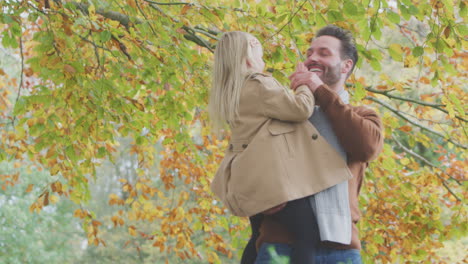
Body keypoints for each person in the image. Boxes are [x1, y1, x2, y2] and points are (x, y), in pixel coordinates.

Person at [208, 31, 354, 264]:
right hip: (271, 180)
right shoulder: (259, 84)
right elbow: (300, 109)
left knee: (258, 237)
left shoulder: (231, 90)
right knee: (307, 234)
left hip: (247, 176)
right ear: (248, 58)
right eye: (256, 46)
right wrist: (304, 82)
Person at [253, 25, 384, 264]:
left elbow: (366, 147)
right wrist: (260, 197)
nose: (313, 58)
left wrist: (319, 90)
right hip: (280, 246)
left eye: (324, 53)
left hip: (341, 250)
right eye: (310, 53)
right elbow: (248, 166)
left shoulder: (363, 115)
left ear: (346, 66)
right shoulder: (282, 113)